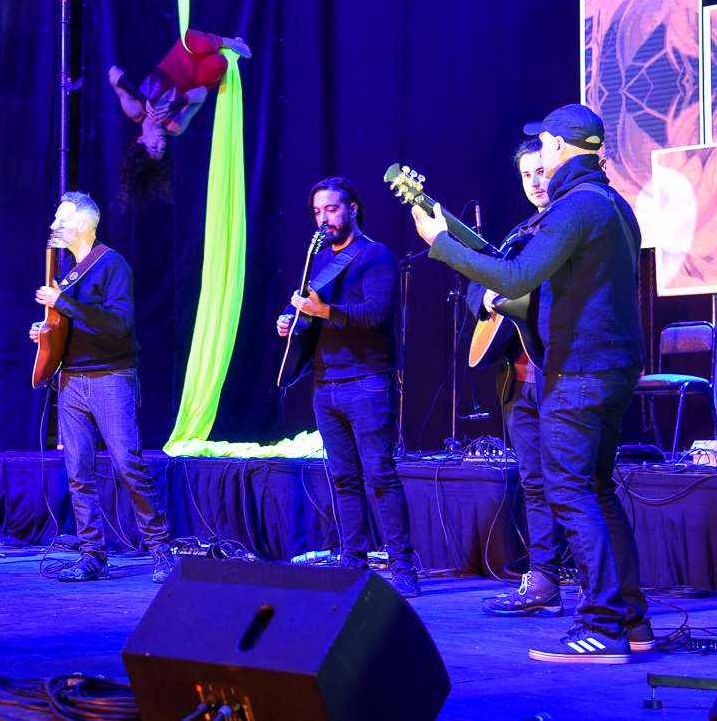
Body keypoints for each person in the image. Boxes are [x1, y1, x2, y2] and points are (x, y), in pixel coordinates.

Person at [412, 104, 651, 663]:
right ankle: (632, 620)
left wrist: (442, 243)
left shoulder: (576, 206)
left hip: (579, 372)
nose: (540, 157)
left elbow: (517, 277)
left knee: (571, 492)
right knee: (596, 491)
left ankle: (602, 627)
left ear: (561, 146)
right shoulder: (612, 203)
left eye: (543, 145)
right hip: (609, 369)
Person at [276, 177, 419, 598]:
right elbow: (309, 316)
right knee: (343, 478)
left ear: (353, 209)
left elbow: (376, 314)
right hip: (327, 384)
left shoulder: (377, 255)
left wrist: (324, 311)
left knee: (380, 476)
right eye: (317, 212)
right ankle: (352, 562)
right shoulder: (320, 261)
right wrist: (292, 321)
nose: (324, 219)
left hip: (369, 382)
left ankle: (403, 567)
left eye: (332, 209)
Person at [28, 192, 175, 583]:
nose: (53, 225)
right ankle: (92, 554)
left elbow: (118, 325)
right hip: (71, 380)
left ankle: (161, 550)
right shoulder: (69, 271)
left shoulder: (112, 264)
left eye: (61, 219)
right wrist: (46, 332)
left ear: (82, 224)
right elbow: (71, 326)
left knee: (127, 464)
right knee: (78, 470)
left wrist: (62, 303)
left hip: (110, 377)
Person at [477, 138, 573, 617]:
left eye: (541, 171)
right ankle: (543, 580)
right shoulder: (520, 232)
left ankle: (596, 586)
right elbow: (482, 280)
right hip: (519, 381)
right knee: (534, 483)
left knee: (573, 483)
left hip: (563, 375)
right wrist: (485, 298)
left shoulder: (572, 224)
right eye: (526, 175)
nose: (535, 182)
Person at [108, 30, 251, 161]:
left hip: (184, 50)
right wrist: (174, 105)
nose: (161, 143)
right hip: (199, 74)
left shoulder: (135, 110)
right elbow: (202, 93)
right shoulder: (174, 126)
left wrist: (142, 98)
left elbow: (113, 73)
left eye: (154, 147)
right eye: (163, 148)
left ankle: (226, 42)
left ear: (141, 140)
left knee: (203, 45)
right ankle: (224, 50)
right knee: (218, 64)